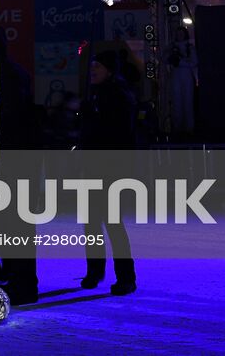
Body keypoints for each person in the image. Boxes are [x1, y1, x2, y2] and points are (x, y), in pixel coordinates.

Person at [79, 51, 137, 295]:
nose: (93, 70)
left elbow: (115, 134)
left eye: (98, 67)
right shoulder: (98, 94)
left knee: (112, 223)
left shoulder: (117, 96)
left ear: (109, 70)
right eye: (92, 66)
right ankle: (95, 271)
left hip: (110, 168)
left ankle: (125, 276)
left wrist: (91, 118)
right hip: (94, 167)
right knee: (91, 223)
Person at [0, 29, 39, 305]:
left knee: (12, 224)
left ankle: (22, 282)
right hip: (17, 158)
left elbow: (6, 117)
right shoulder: (14, 72)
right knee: (11, 224)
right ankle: (17, 277)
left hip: (8, 159)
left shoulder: (0, 75)